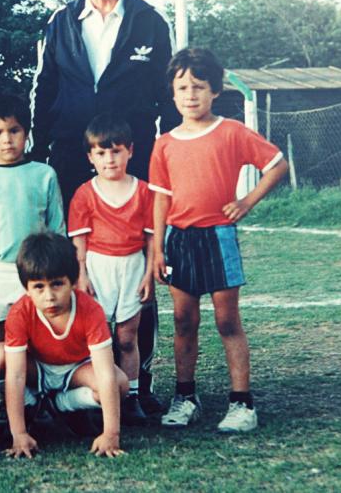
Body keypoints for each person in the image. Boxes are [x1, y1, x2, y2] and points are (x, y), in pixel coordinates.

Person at [29, 0, 178, 415]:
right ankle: (84, 376)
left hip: (131, 165)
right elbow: (43, 94)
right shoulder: (59, 23)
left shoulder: (150, 23)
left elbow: (167, 100)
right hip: (74, 161)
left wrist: (166, 161)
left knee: (138, 272)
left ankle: (138, 387)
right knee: (79, 269)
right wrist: (38, 153)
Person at [149, 48, 288, 433]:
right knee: (183, 320)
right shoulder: (165, 143)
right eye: (182, 87)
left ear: (215, 91)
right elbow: (160, 196)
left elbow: (276, 165)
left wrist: (246, 201)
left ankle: (242, 403)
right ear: (172, 93)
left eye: (199, 86)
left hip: (218, 237)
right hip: (178, 240)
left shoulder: (231, 131)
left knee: (227, 320)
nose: (190, 94)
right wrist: (158, 246)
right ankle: (185, 396)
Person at [0, 232, 127, 459]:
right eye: (38, 287)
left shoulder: (90, 310)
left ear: (73, 281)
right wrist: (19, 434)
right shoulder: (20, 312)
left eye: (57, 284)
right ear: (26, 288)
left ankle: (62, 405)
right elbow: (16, 375)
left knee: (119, 383)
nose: (49, 296)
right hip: (37, 369)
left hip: (75, 370)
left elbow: (105, 372)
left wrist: (111, 433)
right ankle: (31, 404)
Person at [68, 114, 155, 426]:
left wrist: (148, 275)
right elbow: (80, 240)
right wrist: (81, 274)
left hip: (132, 266)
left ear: (130, 151)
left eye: (116, 151)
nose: (109, 159)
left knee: (127, 337)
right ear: (91, 157)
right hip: (98, 266)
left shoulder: (144, 191)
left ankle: (131, 395)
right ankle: (99, 396)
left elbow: (151, 237)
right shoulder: (85, 193)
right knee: (97, 337)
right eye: (101, 153)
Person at [0, 94, 65, 341]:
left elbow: (57, 227)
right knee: (6, 338)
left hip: (39, 270)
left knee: (42, 335)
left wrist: (60, 269)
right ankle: (9, 381)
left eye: (14, 130)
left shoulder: (44, 174)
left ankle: (38, 380)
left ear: (26, 132)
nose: (7, 139)